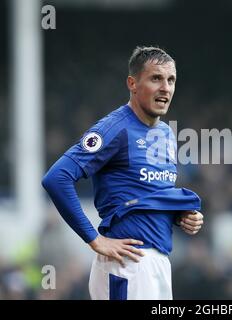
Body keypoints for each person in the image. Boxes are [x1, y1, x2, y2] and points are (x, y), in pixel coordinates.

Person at [42, 46, 204, 300]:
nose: (165, 88)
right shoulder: (115, 128)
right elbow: (56, 177)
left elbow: (146, 194)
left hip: (158, 263)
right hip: (128, 265)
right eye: (156, 78)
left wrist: (179, 216)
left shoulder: (166, 134)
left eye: (170, 80)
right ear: (133, 83)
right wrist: (94, 239)